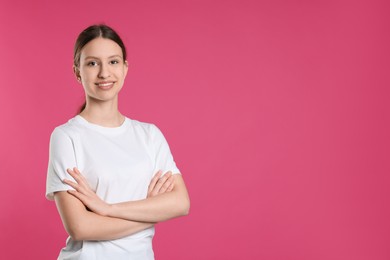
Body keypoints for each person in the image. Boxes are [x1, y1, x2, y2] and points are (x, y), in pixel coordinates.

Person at [46, 24, 190, 260]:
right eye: (92, 63)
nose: (104, 73)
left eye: (113, 62)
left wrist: (107, 209)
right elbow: (80, 227)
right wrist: (151, 211)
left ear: (125, 68)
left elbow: (181, 203)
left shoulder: (149, 135)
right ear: (77, 71)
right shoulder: (66, 137)